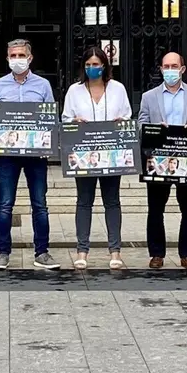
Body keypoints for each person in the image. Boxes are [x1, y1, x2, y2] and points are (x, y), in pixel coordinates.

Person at [0, 39, 60, 270]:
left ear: (30, 58)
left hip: (36, 155)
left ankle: (42, 252)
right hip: (8, 155)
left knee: (39, 203)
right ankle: (2, 252)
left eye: (21, 55)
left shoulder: (42, 85)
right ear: (7, 58)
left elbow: (51, 119)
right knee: (4, 204)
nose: (17, 59)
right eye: (13, 55)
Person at [61, 45, 133, 270]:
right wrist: (74, 123)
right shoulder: (74, 90)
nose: (93, 68)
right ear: (84, 66)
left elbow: (128, 116)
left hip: (111, 155)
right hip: (84, 154)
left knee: (112, 201)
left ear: (104, 65)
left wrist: (122, 122)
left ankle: (115, 251)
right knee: (84, 201)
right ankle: (82, 251)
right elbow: (65, 119)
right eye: (89, 65)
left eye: (97, 64)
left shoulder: (118, 89)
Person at [138, 51, 187, 270]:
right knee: (155, 209)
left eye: (174, 66)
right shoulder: (148, 97)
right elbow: (140, 124)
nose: (170, 70)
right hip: (158, 160)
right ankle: (157, 254)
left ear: (182, 69)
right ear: (161, 69)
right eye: (166, 66)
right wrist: (153, 129)